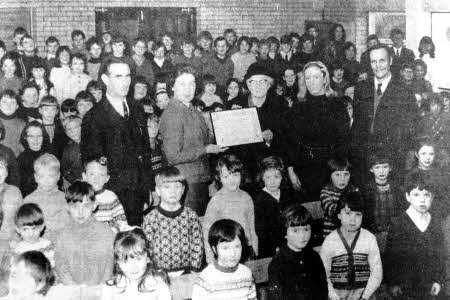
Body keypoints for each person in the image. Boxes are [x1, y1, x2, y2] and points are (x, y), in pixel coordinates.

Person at [81, 57, 151, 226]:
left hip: (138, 194)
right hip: (110, 200)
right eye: (118, 76)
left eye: (127, 76)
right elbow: (93, 162)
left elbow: (145, 151)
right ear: (105, 79)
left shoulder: (137, 108)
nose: (125, 82)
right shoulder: (94, 117)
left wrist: (148, 188)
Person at [159, 64, 225, 216]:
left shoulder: (191, 108)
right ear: (172, 87)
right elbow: (173, 156)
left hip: (197, 179)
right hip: (185, 183)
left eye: (192, 83)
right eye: (182, 84)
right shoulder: (173, 114)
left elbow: (202, 139)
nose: (188, 88)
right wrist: (206, 149)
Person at [352, 44, 418, 185]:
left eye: (382, 60)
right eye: (373, 61)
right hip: (365, 160)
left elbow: (411, 130)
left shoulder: (404, 91)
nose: (377, 66)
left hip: (392, 161)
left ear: (390, 61)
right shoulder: (361, 88)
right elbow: (356, 126)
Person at [286, 61, 349, 201]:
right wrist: (290, 170)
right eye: (307, 78)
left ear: (324, 78)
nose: (311, 82)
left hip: (330, 166)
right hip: (304, 167)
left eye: (316, 77)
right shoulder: (298, 106)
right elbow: (290, 140)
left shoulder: (337, 105)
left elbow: (343, 140)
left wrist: (339, 172)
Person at [384, 172, 445, 299]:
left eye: (426, 195)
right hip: (404, 287)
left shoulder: (435, 223)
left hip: (429, 285)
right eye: (416, 194)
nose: (422, 200)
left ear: (432, 197)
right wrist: (393, 283)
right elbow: (391, 257)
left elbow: (439, 256)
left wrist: (438, 280)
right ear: (407, 197)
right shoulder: (398, 223)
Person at [320, 190, 382, 300]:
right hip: (337, 296)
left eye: (358, 214)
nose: (353, 219)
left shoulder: (369, 238)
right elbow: (323, 275)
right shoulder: (330, 241)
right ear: (339, 215)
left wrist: (365, 296)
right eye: (348, 213)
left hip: (365, 295)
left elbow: (377, 272)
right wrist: (334, 297)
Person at [142, 167, 203, 273]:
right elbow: (147, 249)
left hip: (186, 272)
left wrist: (193, 269)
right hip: (160, 273)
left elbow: (197, 244)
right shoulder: (151, 218)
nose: (173, 191)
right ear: (158, 190)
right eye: (167, 187)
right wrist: (154, 272)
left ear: (183, 190)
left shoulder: (191, 215)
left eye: (177, 187)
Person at [54, 181, 114, 285]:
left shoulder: (105, 232)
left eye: (86, 206)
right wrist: (74, 289)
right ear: (67, 207)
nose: (80, 212)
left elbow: (109, 265)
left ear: (94, 206)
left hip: (99, 290)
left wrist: (99, 289)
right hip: (72, 291)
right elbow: (61, 266)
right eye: (75, 207)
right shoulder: (63, 235)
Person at [203, 154, 258, 263]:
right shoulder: (216, 201)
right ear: (219, 178)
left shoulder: (246, 198)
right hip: (226, 252)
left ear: (241, 175)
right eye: (226, 176)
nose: (231, 180)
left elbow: (252, 229)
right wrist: (210, 262)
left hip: (246, 252)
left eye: (235, 175)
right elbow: (207, 233)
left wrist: (255, 252)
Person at [268, 204, 327, 300]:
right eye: (295, 231)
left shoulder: (314, 257)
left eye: (306, 229)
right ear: (284, 233)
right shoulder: (278, 263)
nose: (303, 235)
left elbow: (322, 290)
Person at [192, 219, 256, 300]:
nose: (233, 253)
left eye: (237, 246)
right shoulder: (206, 278)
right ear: (214, 249)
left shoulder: (247, 273)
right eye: (225, 248)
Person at [101, 228, 171, 300]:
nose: (133, 267)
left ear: (148, 257)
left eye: (138, 259)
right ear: (118, 262)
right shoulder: (110, 288)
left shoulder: (158, 284)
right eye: (125, 261)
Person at [253, 156, 296, 258]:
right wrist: (277, 246)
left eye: (276, 177)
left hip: (290, 242)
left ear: (282, 177)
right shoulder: (259, 200)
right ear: (262, 177)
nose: (272, 182)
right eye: (268, 177)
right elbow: (261, 231)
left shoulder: (287, 195)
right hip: (269, 248)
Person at [362, 153, 402, 252]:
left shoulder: (396, 188)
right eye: (377, 167)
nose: (381, 171)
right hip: (374, 233)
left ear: (390, 168)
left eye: (385, 167)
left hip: (393, 233)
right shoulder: (367, 189)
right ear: (371, 169)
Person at [23, 154, 67, 238]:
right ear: (36, 177)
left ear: (58, 176)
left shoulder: (65, 199)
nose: (46, 180)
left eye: (51, 176)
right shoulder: (29, 201)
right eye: (42, 176)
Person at [82, 156, 128, 233]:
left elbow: (122, 223)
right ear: (84, 176)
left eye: (101, 175)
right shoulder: (79, 197)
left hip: (108, 239)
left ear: (107, 178)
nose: (96, 178)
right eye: (92, 174)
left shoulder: (110, 197)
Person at [320, 158, 358, 237]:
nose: (342, 178)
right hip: (332, 235)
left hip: (351, 233)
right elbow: (332, 210)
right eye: (337, 174)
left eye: (346, 174)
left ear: (351, 175)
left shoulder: (354, 190)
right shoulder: (326, 192)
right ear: (330, 176)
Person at [18, 122, 51, 197]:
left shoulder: (51, 155)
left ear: (44, 137)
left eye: (39, 136)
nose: (35, 140)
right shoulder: (21, 160)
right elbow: (23, 188)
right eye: (31, 136)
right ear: (25, 138)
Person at [0, 154, 22, 240]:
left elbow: (21, 219)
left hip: (11, 241)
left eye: (1, 167)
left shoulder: (15, 192)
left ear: (7, 173)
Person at [0, 90, 25, 156]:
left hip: (14, 161)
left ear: (17, 106)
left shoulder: (22, 124)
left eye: (12, 103)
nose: (8, 105)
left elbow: (23, 147)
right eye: (4, 102)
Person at [61, 116, 83, 186]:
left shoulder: (94, 142)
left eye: (75, 128)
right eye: (68, 129)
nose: (72, 131)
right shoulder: (67, 149)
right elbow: (65, 170)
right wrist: (76, 181)